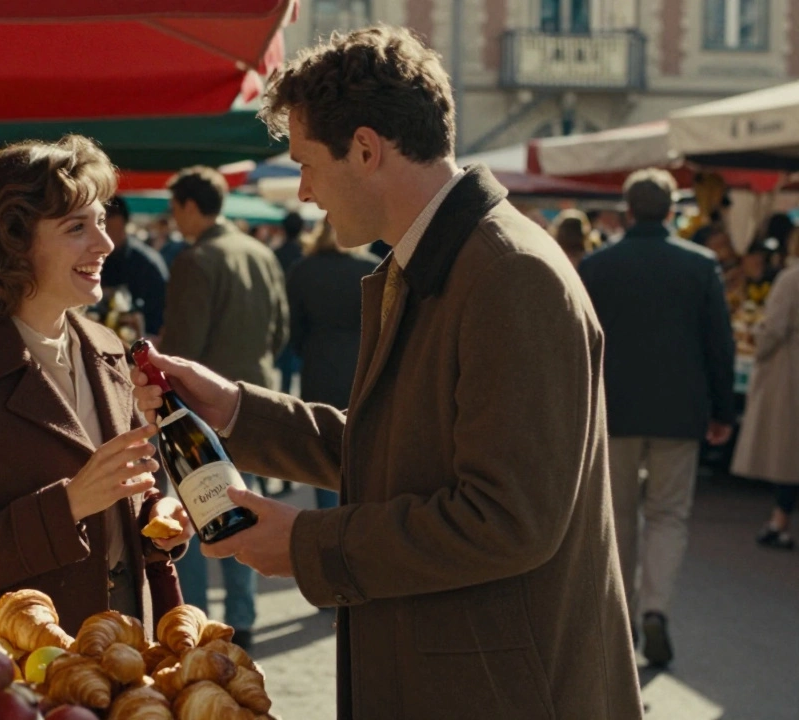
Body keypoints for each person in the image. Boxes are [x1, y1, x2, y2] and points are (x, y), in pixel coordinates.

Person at [133, 25, 642, 718]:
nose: (305, 190)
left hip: (505, 690)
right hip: (460, 674)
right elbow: (394, 452)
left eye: (308, 163)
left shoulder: (508, 274)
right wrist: (234, 410)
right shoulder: (439, 259)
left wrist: (307, 544)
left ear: (367, 150)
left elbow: (508, 521)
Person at [0, 136, 193, 636]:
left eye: (101, 221)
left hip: (126, 648)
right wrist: (71, 503)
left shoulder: (107, 348)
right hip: (18, 669)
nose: (105, 243)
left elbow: (125, 502)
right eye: (77, 227)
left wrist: (156, 522)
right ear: (11, 241)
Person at [578, 168, 736, 668]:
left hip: (614, 409)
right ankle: (657, 611)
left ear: (627, 209)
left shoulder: (598, 265)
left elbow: (579, 341)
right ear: (671, 210)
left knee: (617, 516)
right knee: (669, 515)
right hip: (680, 409)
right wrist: (722, 409)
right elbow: (720, 344)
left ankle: (622, 614)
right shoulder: (701, 264)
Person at [160, 165, 289, 650]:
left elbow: (181, 349)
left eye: (175, 209)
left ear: (192, 206)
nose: (174, 220)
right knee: (248, 509)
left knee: (198, 514)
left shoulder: (198, 259)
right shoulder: (259, 252)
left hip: (202, 411)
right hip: (258, 400)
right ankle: (243, 616)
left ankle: (195, 619)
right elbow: (279, 329)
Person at [285, 219, 380, 510]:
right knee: (363, 444)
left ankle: (329, 518)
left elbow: (294, 327)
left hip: (319, 362)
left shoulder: (303, 270)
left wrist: (307, 350)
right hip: (362, 364)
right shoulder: (372, 268)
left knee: (324, 446)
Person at [732, 238, 799, 550]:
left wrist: (757, 345)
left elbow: (773, 329)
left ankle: (779, 521)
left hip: (790, 371)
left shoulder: (791, 279)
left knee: (788, 453)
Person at [101, 196, 169, 336]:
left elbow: (160, 316)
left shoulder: (147, 264)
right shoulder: (91, 258)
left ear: (123, 222)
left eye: (107, 224)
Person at [273, 211, 306, 396]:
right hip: (302, 312)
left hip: (281, 311)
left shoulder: (276, 254)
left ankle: (284, 393)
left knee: (285, 359)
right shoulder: (306, 255)